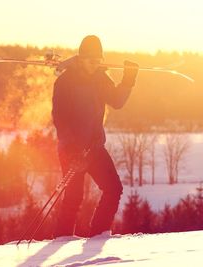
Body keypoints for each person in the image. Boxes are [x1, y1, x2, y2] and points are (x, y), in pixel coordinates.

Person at [52, 35, 139, 237]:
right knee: (74, 198)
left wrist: (128, 79)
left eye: (98, 60)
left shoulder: (100, 78)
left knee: (113, 189)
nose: (95, 64)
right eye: (91, 60)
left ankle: (98, 236)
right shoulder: (65, 81)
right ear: (81, 58)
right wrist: (71, 148)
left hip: (94, 148)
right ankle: (61, 240)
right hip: (71, 149)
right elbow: (60, 118)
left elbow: (117, 101)